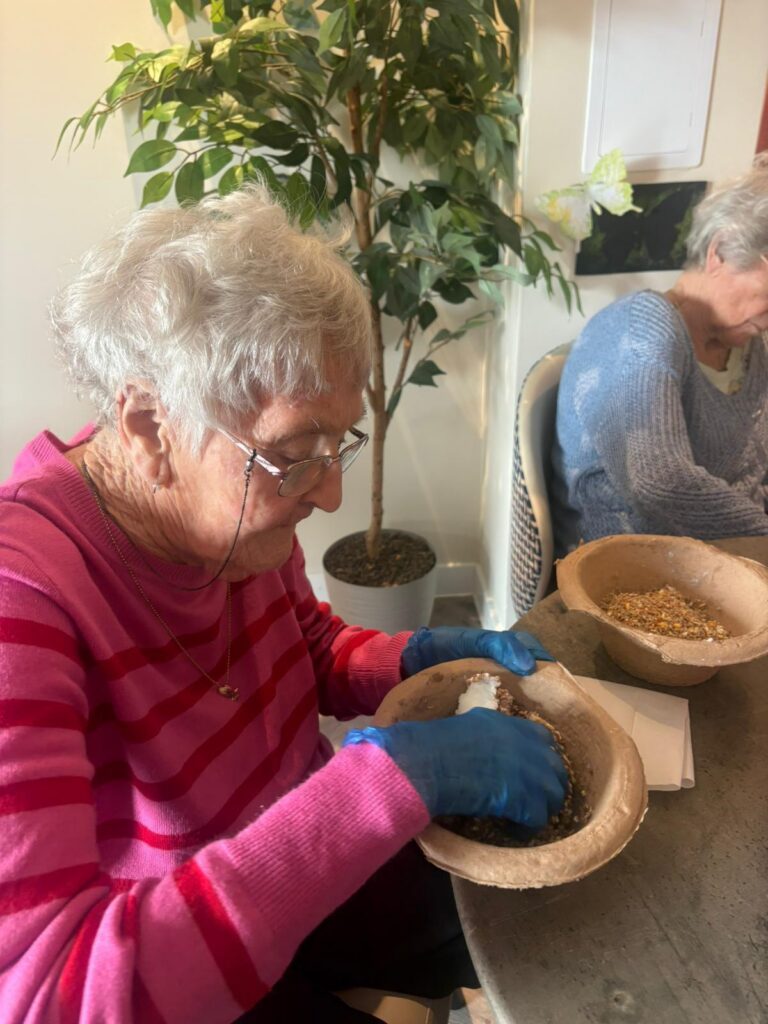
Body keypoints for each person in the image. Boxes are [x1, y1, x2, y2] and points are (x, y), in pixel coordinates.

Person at [0, 185, 567, 1023]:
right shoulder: (25, 596)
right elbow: (52, 993)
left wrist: (411, 659)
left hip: (311, 855)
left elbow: (307, 646)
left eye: (337, 444)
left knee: (547, 918)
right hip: (179, 950)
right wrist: (390, 784)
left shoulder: (225, 508)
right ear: (152, 424)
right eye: (298, 454)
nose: (330, 493)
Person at [551, 158, 768, 554]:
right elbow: (659, 484)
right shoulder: (642, 328)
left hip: (732, 559)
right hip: (637, 568)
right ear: (719, 252)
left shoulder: (750, 343)